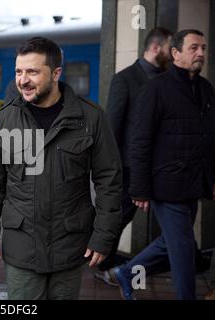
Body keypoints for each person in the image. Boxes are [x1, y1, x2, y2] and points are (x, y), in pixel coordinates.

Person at [0, 37, 122, 300]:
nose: (23, 80)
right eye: (19, 72)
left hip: (69, 246)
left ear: (56, 73)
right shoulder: (3, 121)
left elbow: (109, 180)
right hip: (22, 248)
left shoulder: (91, 118)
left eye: (32, 71)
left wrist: (103, 236)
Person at [109, 29, 215, 300]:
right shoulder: (155, 88)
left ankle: (128, 272)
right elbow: (139, 140)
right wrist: (139, 189)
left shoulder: (205, 89)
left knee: (173, 242)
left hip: (193, 181)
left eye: (203, 47)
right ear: (176, 53)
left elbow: (209, 138)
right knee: (182, 251)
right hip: (166, 184)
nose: (201, 52)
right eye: (193, 47)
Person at [94, 27, 173, 285]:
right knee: (120, 216)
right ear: (155, 47)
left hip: (158, 166)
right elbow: (113, 125)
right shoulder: (124, 79)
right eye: (170, 47)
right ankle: (101, 262)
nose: (173, 53)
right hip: (127, 166)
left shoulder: (167, 79)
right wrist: (112, 168)